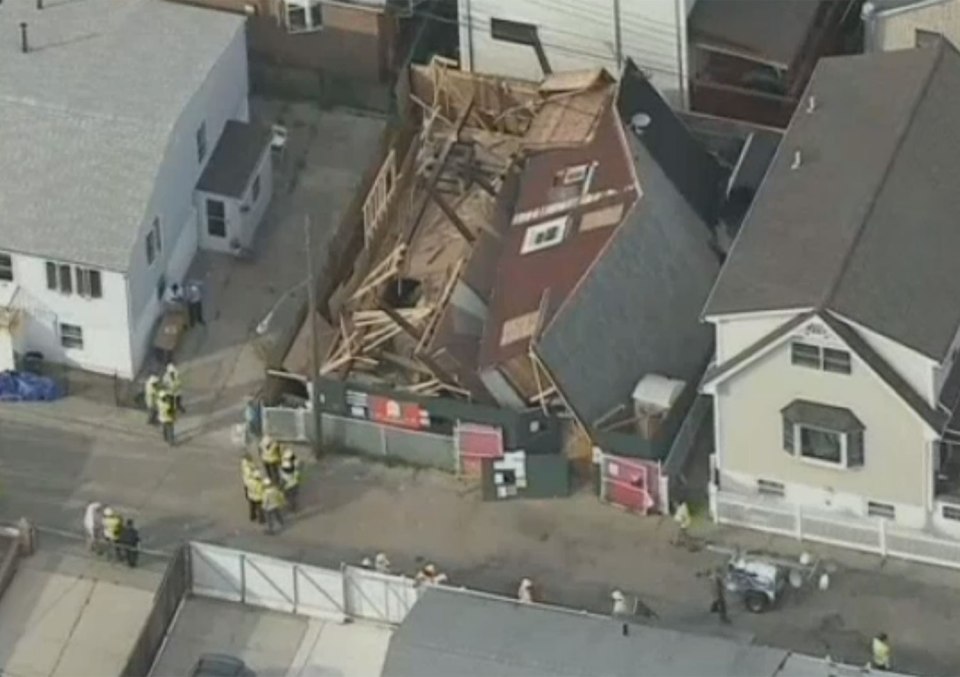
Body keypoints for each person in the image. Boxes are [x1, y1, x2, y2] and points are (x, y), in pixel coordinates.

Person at [279, 448, 301, 513]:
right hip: (295, 486)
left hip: (288, 488)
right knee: (293, 498)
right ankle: (294, 507)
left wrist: (280, 488)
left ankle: (291, 507)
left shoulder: (283, 474)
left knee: (289, 498)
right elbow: (298, 478)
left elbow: (282, 483)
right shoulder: (295, 471)